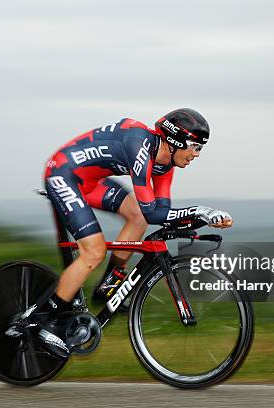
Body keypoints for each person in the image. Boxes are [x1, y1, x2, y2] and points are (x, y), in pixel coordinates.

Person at [36, 108, 233, 358]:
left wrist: (197, 221)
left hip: (91, 182)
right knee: (93, 252)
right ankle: (47, 321)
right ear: (175, 141)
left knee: (137, 215)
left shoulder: (165, 165)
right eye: (194, 147)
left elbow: (161, 212)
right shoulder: (139, 145)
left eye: (200, 149)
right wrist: (200, 211)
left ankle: (109, 285)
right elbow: (155, 213)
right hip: (63, 174)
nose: (196, 154)